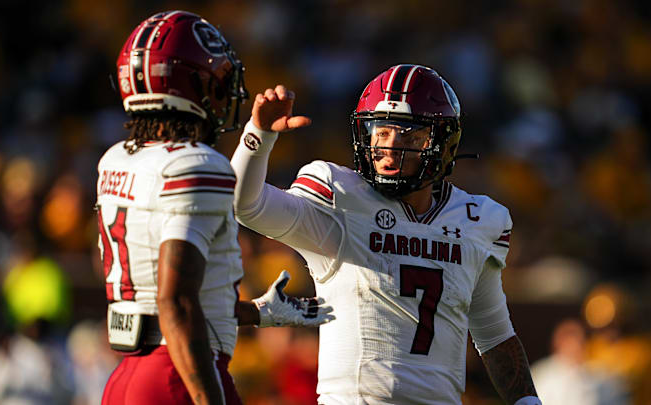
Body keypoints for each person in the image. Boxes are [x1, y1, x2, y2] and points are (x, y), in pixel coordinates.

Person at [231, 64, 541, 404]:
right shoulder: (340, 199)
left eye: (409, 136)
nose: (390, 147)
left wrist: (528, 401)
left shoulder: (478, 220)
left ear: (442, 144)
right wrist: (258, 134)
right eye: (381, 132)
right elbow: (245, 205)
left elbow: (494, 335)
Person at [97, 11, 332, 405]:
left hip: (124, 377)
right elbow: (176, 302)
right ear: (193, 85)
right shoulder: (196, 165)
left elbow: (157, 302)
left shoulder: (117, 159)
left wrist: (253, 312)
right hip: (178, 375)